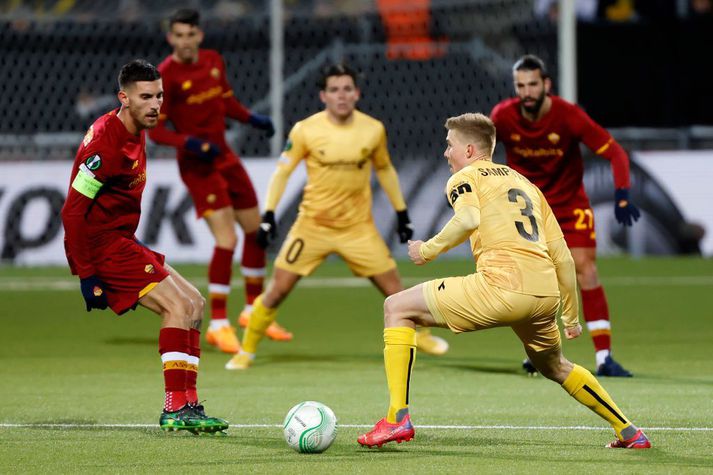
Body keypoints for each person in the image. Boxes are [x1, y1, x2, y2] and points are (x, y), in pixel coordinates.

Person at [357, 113, 651, 449]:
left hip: (501, 287)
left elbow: (467, 218)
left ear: (469, 150)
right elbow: (564, 258)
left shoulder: (465, 177)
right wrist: (570, 316)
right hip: (544, 296)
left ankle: (397, 419)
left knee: (396, 308)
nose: (445, 153)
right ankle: (629, 431)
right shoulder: (527, 185)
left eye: (449, 145)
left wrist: (428, 249)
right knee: (556, 366)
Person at [225, 63, 449, 370]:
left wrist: (401, 213)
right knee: (276, 290)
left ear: (356, 93)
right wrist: (269, 215)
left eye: (347, 89)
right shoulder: (306, 129)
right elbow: (283, 172)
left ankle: (419, 335)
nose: (341, 95)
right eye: (334, 90)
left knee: (396, 290)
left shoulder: (373, 129)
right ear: (323, 95)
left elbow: (384, 168)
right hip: (312, 227)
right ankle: (247, 349)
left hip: (358, 229)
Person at [61, 59, 228, 433]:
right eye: (146, 97)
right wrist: (87, 275)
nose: (156, 105)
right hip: (105, 247)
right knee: (177, 306)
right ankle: (174, 407)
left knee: (195, 304)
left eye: (160, 96)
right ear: (124, 97)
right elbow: (72, 213)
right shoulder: (106, 143)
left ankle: (189, 404)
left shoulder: (136, 127)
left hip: (123, 239)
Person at [149, 8, 292, 355]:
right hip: (198, 165)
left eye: (190, 34)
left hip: (225, 156)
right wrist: (189, 142)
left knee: (257, 231)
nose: (184, 41)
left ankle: (253, 312)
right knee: (226, 240)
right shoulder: (166, 75)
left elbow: (226, 101)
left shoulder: (213, 60)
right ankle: (218, 324)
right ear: (171, 38)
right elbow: (156, 131)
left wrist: (252, 119)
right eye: (178, 35)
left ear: (200, 35)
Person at [490, 54, 640, 377]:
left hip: (571, 206)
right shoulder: (502, 116)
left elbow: (615, 152)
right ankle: (539, 353)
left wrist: (623, 195)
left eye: (533, 84)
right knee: (530, 282)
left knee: (585, 269)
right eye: (520, 86)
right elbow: (481, 155)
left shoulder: (568, 116)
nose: (526, 92)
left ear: (546, 84)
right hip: (528, 210)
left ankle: (604, 358)